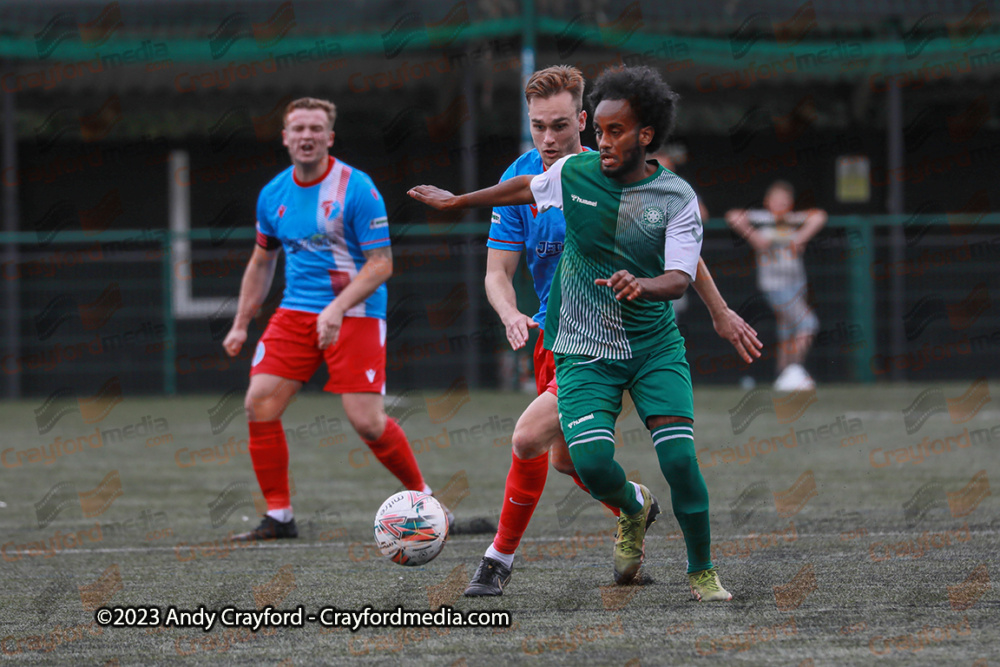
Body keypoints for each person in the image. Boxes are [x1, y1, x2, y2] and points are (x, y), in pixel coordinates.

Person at [411, 65, 760, 601]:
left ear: (583, 120)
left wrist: (717, 309)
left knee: (528, 438)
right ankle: (634, 505)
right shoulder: (537, 177)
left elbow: (678, 254)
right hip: (559, 339)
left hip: (619, 336)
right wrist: (506, 308)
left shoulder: (629, 178)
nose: (548, 138)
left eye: (559, 126)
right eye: (537, 127)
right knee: (570, 460)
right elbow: (496, 271)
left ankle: (497, 561)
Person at [222, 97, 445, 541]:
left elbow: (381, 264)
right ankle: (280, 517)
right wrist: (241, 321)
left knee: (366, 420)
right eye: (298, 129)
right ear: (285, 137)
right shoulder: (273, 194)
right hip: (296, 311)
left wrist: (336, 308)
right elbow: (261, 262)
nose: (307, 136)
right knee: (258, 402)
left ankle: (427, 503)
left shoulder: (356, 188)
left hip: (357, 310)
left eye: (315, 129)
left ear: (329, 137)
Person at [725, 181, 827, 391]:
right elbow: (733, 216)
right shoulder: (763, 219)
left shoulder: (792, 220)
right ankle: (794, 370)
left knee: (787, 330)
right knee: (808, 325)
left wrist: (800, 238)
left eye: (785, 201)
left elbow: (819, 216)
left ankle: (783, 375)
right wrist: (755, 237)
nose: (781, 204)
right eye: (777, 200)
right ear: (767, 202)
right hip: (776, 285)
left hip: (797, 283)